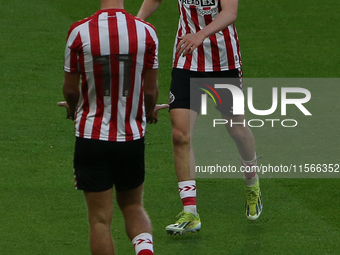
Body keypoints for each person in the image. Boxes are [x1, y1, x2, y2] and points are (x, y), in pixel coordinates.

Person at [137, 0, 263, 235]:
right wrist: (138, 22)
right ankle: (190, 213)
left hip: (224, 63)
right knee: (180, 135)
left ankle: (251, 182)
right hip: (187, 60)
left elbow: (230, 12)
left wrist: (200, 34)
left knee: (236, 130)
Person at [58, 0, 165, 254]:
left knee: (100, 220)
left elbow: (70, 89)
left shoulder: (79, 31)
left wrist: (73, 108)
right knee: (133, 206)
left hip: (91, 137)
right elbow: (151, 91)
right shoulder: (146, 31)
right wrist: (149, 112)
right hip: (131, 137)